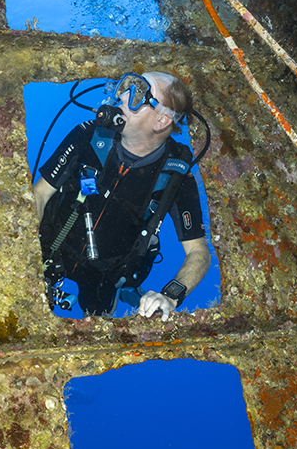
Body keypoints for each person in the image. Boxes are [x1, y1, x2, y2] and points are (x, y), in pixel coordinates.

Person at [33, 70, 211, 319]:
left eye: (138, 93)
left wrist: (169, 296)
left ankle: (124, 293)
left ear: (161, 121)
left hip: (106, 273)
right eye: (126, 86)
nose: (122, 97)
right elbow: (40, 194)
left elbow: (198, 252)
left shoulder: (175, 174)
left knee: (98, 321)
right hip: (53, 245)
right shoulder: (87, 136)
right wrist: (23, 252)